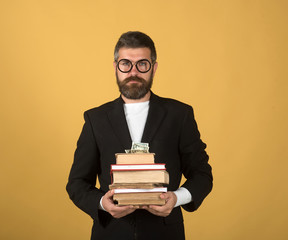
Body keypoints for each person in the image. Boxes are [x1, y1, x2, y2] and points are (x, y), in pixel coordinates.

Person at [66, 31, 213, 240]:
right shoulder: (95, 119)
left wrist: (176, 198)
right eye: (125, 63)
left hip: (165, 233)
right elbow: (77, 183)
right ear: (116, 66)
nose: (133, 72)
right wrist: (102, 204)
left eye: (142, 64)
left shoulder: (179, 115)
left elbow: (202, 175)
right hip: (111, 234)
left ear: (154, 68)